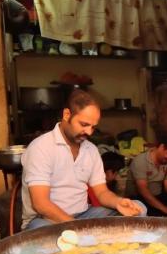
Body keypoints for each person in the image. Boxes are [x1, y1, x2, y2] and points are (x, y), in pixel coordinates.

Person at [20, 89, 145, 230]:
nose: (89, 132)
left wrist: (118, 202)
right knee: (50, 238)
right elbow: (41, 204)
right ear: (67, 115)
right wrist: (77, 228)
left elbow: (102, 192)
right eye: (84, 124)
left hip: (84, 215)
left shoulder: (90, 150)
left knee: (139, 209)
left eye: (93, 127)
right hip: (45, 220)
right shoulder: (41, 148)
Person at [125, 137, 167, 217]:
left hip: (158, 196)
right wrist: (164, 208)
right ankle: (161, 213)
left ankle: (162, 212)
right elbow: (143, 190)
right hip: (139, 198)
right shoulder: (140, 161)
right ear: (161, 147)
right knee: (144, 210)